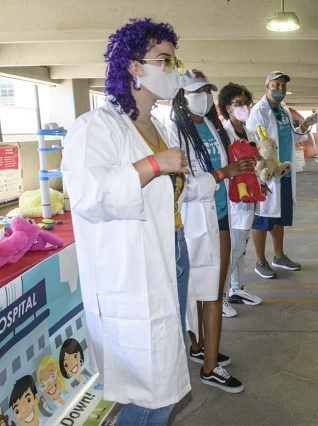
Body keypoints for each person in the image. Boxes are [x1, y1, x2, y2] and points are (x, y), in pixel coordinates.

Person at [61, 18, 195, 426]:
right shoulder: (95, 127)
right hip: (131, 272)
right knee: (151, 390)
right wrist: (153, 165)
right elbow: (87, 195)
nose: (173, 69)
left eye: (174, 61)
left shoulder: (160, 126)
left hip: (172, 251)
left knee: (167, 372)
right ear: (134, 67)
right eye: (164, 60)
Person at [168, 69, 252, 393]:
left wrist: (241, 175)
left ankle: (204, 348)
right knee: (207, 293)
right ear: (183, 95)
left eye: (207, 90)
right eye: (197, 90)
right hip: (196, 222)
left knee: (210, 291)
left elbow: (229, 166)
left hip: (219, 217)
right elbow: (183, 187)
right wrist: (221, 174)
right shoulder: (176, 130)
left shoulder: (212, 126)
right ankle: (210, 367)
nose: (203, 95)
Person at [246, 71, 318, 278]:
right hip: (267, 175)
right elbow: (253, 144)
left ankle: (279, 256)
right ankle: (260, 261)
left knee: (279, 216)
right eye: (275, 85)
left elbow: (293, 139)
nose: (280, 89)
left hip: (284, 172)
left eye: (283, 85)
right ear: (267, 87)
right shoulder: (259, 111)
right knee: (262, 217)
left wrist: (306, 124)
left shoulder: (284, 110)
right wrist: (258, 171)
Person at [218, 82, 263, 309]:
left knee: (242, 246)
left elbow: (254, 164)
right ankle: (221, 295)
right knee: (233, 248)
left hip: (248, 198)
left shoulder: (249, 133)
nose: (243, 107)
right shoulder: (222, 135)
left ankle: (237, 288)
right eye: (238, 103)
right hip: (231, 199)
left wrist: (261, 183)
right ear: (227, 108)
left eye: (246, 103)